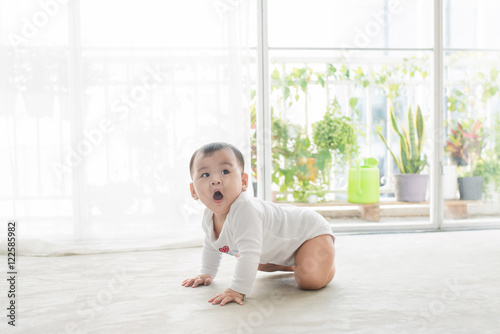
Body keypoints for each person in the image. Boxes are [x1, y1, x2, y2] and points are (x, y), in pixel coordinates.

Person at [182, 142, 336, 306]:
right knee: (257, 262)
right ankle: (296, 263)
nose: (215, 180)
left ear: (243, 181)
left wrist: (237, 289)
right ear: (193, 191)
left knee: (308, 280)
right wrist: (207, 273)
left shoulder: (246, 210)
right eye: (205, 175)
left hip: (311, 232)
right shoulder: (208, 216)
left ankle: (326, 265)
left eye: (225, 171)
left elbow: (249, 254)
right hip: (286, 244)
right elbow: (212, 244)